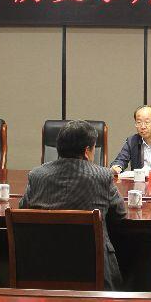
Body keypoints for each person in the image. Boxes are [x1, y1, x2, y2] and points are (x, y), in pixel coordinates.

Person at [20, 120, 127, 290]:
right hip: (93, 270)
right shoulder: (102, 176)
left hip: (43, 268)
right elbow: (120, 214)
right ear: (87, 151)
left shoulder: (37, 175)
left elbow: (23, 211)